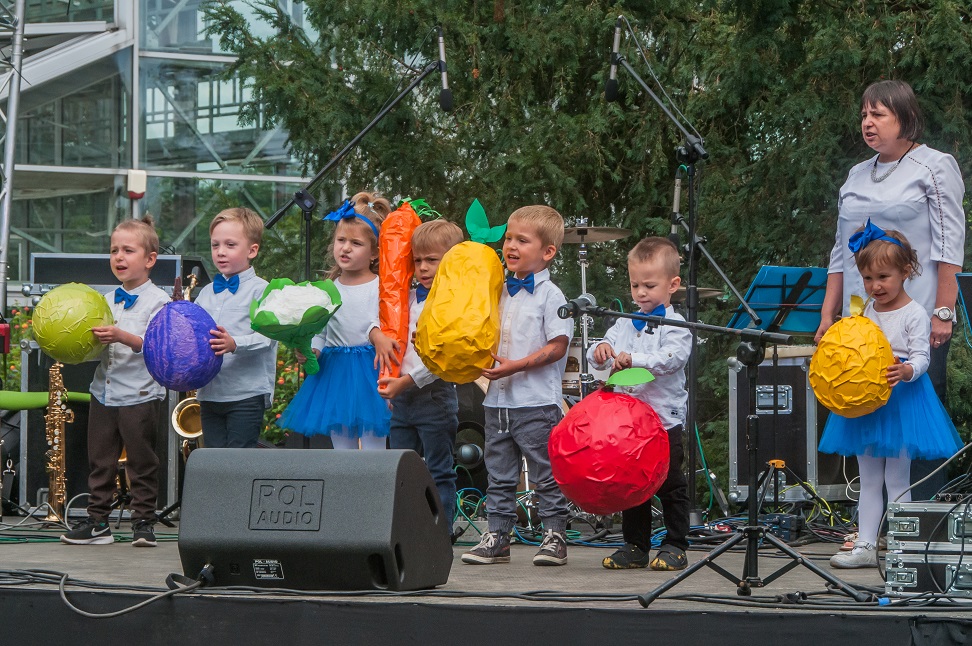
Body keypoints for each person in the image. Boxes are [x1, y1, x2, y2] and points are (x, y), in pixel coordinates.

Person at [815, 80, 966, 499]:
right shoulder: (856, 173)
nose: (868, 123)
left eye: (878, 114)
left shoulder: (935, 166)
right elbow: (839, 252)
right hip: (860, 321)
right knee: (864, 412)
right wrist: (829, 315)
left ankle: (918, 521)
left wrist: (943, 310)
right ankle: (870, 527)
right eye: (864, 114)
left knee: (916, 411)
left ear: (906, 118)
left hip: (914, 314)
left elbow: (949, 243)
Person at [821, 222, 962, 568]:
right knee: (869, 478)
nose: (875, 286)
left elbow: (923, 357)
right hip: (866, 402)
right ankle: (866, 545)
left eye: (883, 277)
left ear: (906, 271)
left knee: (897, 478)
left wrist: (907, 370)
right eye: (868, 279)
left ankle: (901, 545)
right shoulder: (865, 309)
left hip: (901, 401)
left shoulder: (914, 313)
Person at [461, 205, 573, 566]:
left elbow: (558, 347)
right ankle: (498, 537)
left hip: (535, 402)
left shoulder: (551, 295)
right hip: (497, 402)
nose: (510, 245)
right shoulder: (498, 290)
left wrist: (516, 367)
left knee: (544, 472)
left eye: (521, 240)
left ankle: (554, 535)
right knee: (499, 473)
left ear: (547, 252)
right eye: (508, 238)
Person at [60, 216, 170, 547]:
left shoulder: (160, 301)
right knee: (100, 460)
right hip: (104, 393)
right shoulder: (104, 301)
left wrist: (121, 335)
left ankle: (144, 523)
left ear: (150, 259)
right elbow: (97, 351)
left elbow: (154, 346)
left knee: (142, 461)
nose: (118, 257)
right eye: (113, 251)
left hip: (139, 393)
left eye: (128, 250)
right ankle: (97, 523)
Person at [586, 237, 693, 570]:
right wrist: (600, 351)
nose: (641, 292)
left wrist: (635, 359)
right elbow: (599, 355)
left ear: (673, 284)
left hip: (663, 421)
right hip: (629, 423)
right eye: (635, 285)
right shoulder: (622, 324)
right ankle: (635, 545)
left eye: (650, 285)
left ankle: (676, 544)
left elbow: (669, 360)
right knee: (633, 484)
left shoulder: (678, 327)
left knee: (671, 483)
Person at [280, 191, 398, 449]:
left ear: (375, 253)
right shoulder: (327, 288)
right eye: (341, 240)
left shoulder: (380, 286)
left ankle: (374, 489)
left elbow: (383, 324)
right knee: (341, 448)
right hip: (334, 372)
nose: (345, 248)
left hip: (370, 369)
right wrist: (314, 350)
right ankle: (344, 490)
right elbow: (322, 331)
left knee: (373, 446)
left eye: (356, 243)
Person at [378, 219, 465, 532]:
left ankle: (440, 533)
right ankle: (408, 532)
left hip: (434, 396)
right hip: (402, 400)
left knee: (439, 470)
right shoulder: (408, 297)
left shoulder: (455, 304)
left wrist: (406, 382)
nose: (423, 268)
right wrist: (375, 334)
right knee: (401, 469)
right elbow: (382, 325)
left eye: (432, 260)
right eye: (417, 261)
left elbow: (439, 359)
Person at [194, 207, 278, 449]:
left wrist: (235, 344)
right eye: (215, 245)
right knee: (214, 462)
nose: (220, 252)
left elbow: (268, 338)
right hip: (210, 393)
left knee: (238, 463)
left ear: (252, 250)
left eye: (230, 245)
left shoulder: (263, 290)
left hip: (246, 394)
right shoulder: (206, 293)